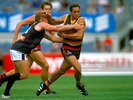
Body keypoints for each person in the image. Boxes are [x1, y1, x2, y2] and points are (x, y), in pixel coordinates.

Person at [0, 11, 83, 98]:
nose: (48, 20)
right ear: (41, 18)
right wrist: (74, 26)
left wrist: (68, 41)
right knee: (24, 75)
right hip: (19, 50)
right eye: (46, 18)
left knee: (16, 73)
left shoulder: (40, 29)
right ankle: (1, 80)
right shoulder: (41, 24)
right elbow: (57, 29)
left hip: (17, 49)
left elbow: (53, 38)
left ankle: (6, 93)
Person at [0, 1, 56, 95]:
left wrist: (54, 40)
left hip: (31, 46)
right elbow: (19, 24)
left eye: (49, 9)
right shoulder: (36, 17)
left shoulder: (48, 19)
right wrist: (14, 38)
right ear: (41, 10)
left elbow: (51, 30)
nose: (47, 11)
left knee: (18, 72)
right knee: (45, 66)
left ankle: (3, 84)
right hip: (32, 47)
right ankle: (46, 88)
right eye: (45, 9)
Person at [36, 3, 88, 96]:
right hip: (67, 48)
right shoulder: (66, 17)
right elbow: (54, 22)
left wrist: (65, 35)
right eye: (74, 12)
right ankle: (79, 84)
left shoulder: (81, 20)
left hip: (77, 49)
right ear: (70, 12)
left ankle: (45, 84)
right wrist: (49, 17)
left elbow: (79, 36)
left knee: (61, 71)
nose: (76, 13)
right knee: (78, 68)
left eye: (78, 12)